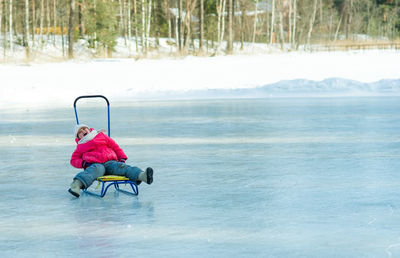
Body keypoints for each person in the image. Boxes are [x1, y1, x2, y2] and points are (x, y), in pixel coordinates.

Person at [68, 124, 153, 198]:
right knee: (96, 169)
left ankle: (142, 176)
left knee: (121, 167)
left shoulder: (101, 136)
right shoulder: (81, 146)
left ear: (89, 129)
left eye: (84, 128)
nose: (83, 131)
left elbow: (115, 147)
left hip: (110, 162)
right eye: (80, 132)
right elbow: (73, 160)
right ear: (78, 137)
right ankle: (76, 185)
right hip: (95, 165)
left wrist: (122, 158)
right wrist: (83, 163)